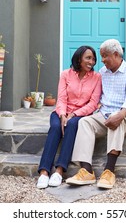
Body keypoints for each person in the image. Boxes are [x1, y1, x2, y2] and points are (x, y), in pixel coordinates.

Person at [66, 39, 126, 189]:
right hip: (104, 114)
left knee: (116, 120)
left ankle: (109, 171)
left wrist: (120, 114)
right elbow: (95, 97)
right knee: (85, 122)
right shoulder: (101, 73)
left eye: (105, 56)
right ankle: (86, 171)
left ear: (115, 54)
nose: (102, 60)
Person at [37, 46, 102, 189]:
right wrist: (62, 114)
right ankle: (44, 172)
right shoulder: (66, 74)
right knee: (55, 127)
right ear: (79, 59)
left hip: (81, 114)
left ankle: (59, 170)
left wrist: (73, 114)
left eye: (93, 58)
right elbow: (61, 97)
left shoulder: (97, 77)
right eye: (88, 58)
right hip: (61, 111)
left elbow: (93, 103)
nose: (92, 61)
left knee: (72, 125)